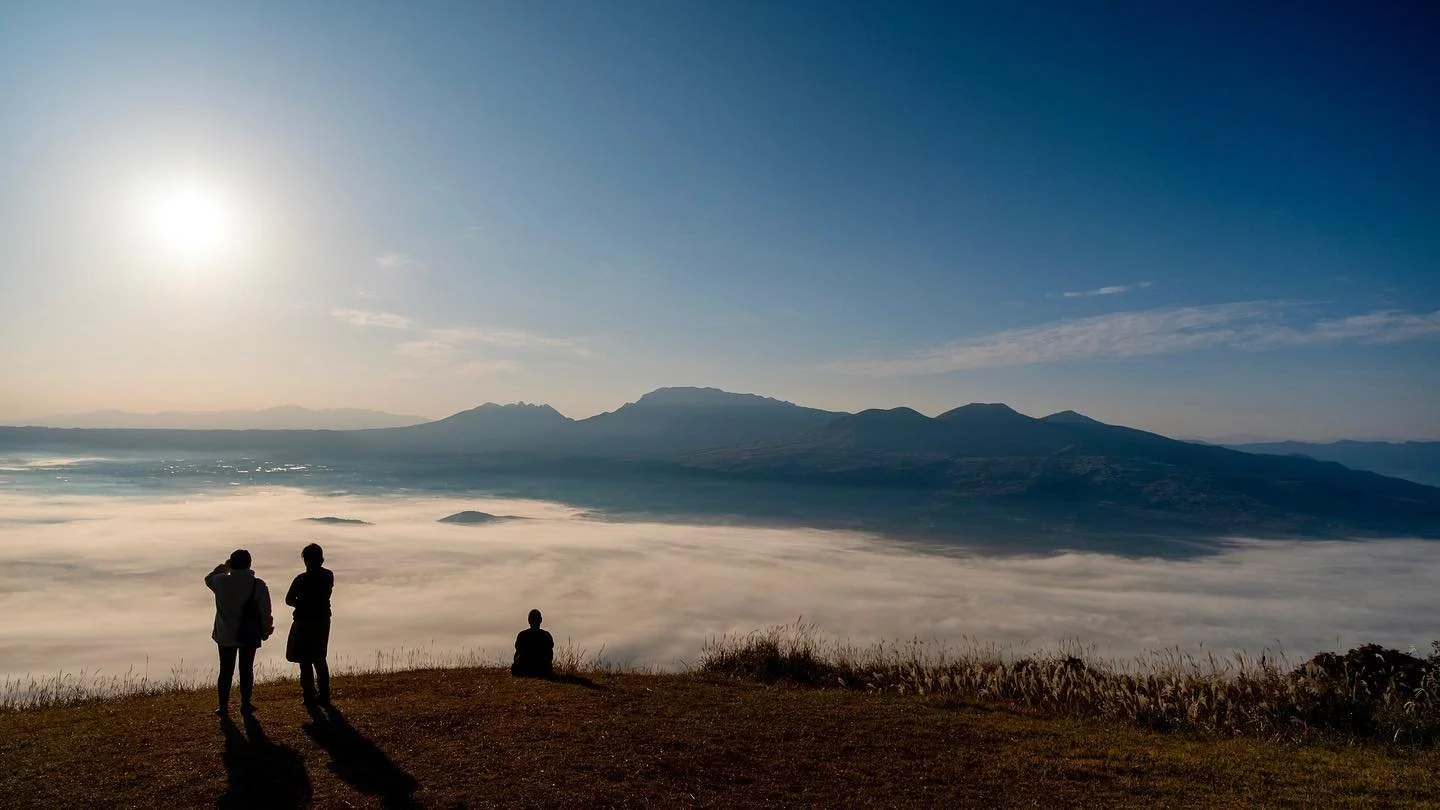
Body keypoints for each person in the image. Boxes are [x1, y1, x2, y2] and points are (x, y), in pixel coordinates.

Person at [205, 548, 274, 716]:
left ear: (232, 563)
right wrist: (266, 630)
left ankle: (223, 706)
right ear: (249, 564)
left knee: (225, 670)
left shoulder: (220, 581)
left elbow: (208, 579)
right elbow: (265, 611)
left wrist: (225, 567)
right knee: (246, 668)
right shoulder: (258, 585)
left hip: (225, 634)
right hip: (249, 634)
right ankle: (245, 703)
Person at [284, 543, 334, 706]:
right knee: (319, 657)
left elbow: (288, 599)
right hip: (322, 620)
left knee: (304, 659)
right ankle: (324, 695)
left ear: (305, 560)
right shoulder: (328, 575)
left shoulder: (301, 579)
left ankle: (308, 695)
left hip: (304, 621)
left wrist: (300, 602)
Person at [511, 609, 554, 678]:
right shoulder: (546, 635)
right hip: (542, 670)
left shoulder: (522, 635)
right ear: (541, 620)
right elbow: (550, 656)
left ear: (529, 621)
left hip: (524, 670)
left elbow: (517, 653)